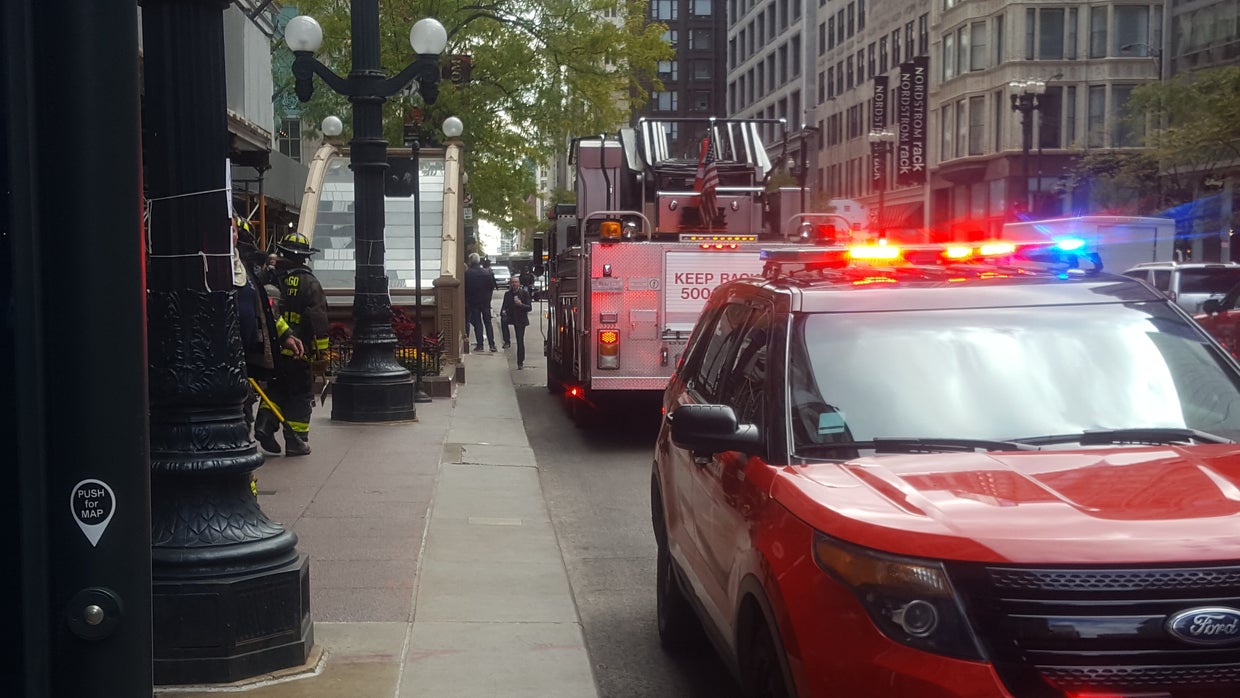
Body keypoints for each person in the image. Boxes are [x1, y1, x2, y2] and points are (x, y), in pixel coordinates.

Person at [254, 232, 329, 456]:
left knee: (276, 388)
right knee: (300, 395)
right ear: (305, 257)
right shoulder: (310, 284)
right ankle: (296, 441)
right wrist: (321, 354)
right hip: (299, 351)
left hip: (273, 350)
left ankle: (265, 425)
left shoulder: (270, 279)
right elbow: (318, 322)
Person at [232, 219, 303, 431]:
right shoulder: (211, 268)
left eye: (233, 230)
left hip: (244, 357)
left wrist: (285, 335)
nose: (232, 235)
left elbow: (263, 309)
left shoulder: (244, 268)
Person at [464, 253, 497, 352]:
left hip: (473, 302)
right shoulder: (487, 273)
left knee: (478, 323)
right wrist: (488, 298)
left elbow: (466, 289)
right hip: (485, 302)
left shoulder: (467, 273)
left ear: (470, 261)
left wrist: (468, 300)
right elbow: (491, 287)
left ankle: (480, 345)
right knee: (488, 323)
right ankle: (492, 344)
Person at [501, 275, 533, 369]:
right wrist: (503, 311)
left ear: (519, 283)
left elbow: (529, 308)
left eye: (516, 282)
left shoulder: (524, 293)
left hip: (520, 319)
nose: (514, 284)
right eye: (513, 282)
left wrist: (521, 304)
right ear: (510, 284)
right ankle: (507, 341)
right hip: (511, 317)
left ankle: (520, 362)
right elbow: (504, 306)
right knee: (503, 321)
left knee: (520, 340)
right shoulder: (507, 294)